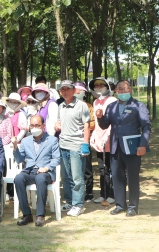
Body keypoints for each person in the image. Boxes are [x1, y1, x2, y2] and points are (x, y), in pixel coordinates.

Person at [97, 80, 151, 217]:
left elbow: (146, 126)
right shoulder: (112, 107)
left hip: (133, 148)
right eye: (119, 89)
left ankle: (133, 207)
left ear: (130, 90)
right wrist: (100, 117)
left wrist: (143, 145)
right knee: (117, 176)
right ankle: (120, 205)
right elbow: (104, 125)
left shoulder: (138, 105)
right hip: (115, 147)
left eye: (125, 89)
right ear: (116, 91)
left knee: (132, 177)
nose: (122, 91)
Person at [13, 114, 61, 227]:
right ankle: (26, 214)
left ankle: (40, 215)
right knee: (18, 178)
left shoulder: (52, 140)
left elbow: (57, 158)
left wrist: (47, 168)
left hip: (45, 172)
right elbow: (19, 159)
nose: (34, 128)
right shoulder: (25, 141)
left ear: (43, 126)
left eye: (37, 125)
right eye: (32, 125)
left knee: (40, 178)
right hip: (30, 171)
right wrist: (15, 147)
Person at [54, 80, 91, 217]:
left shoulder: (81, 106)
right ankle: (69, 201)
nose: (65, 91)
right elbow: (59, 122)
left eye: (67, 89)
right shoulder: (61, 106)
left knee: (77, 177)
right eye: (62, 89)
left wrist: (85, 144)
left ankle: (78, 204)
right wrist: (57, 125)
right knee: (66, 177)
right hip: (63, 145)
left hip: (76, 146)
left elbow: (86, 125)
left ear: (74, 90)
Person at [89, 77, 117, 206]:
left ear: (107, 86)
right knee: (102, 168)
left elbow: (113, 121)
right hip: (100, 140)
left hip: (111, 139)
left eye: (101, 84)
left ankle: (112, 193)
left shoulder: (112, 101)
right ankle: (103, 194)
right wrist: (94, 135)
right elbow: (95, 120)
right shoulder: (95, 102)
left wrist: (108, 135)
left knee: (110, 168)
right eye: (96, 85)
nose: (99, 87)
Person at [74, 81, 96, 203]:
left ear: (84, 92)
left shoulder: (89, 106)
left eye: (79, 90)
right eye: (75, 90)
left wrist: (84, 126)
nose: (77, 92)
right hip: (72, 141)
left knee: (87, 167)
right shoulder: (69, 105)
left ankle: (89, 192)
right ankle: (77, 191)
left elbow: (93, 123)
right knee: (74, 169)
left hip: (84, 140)